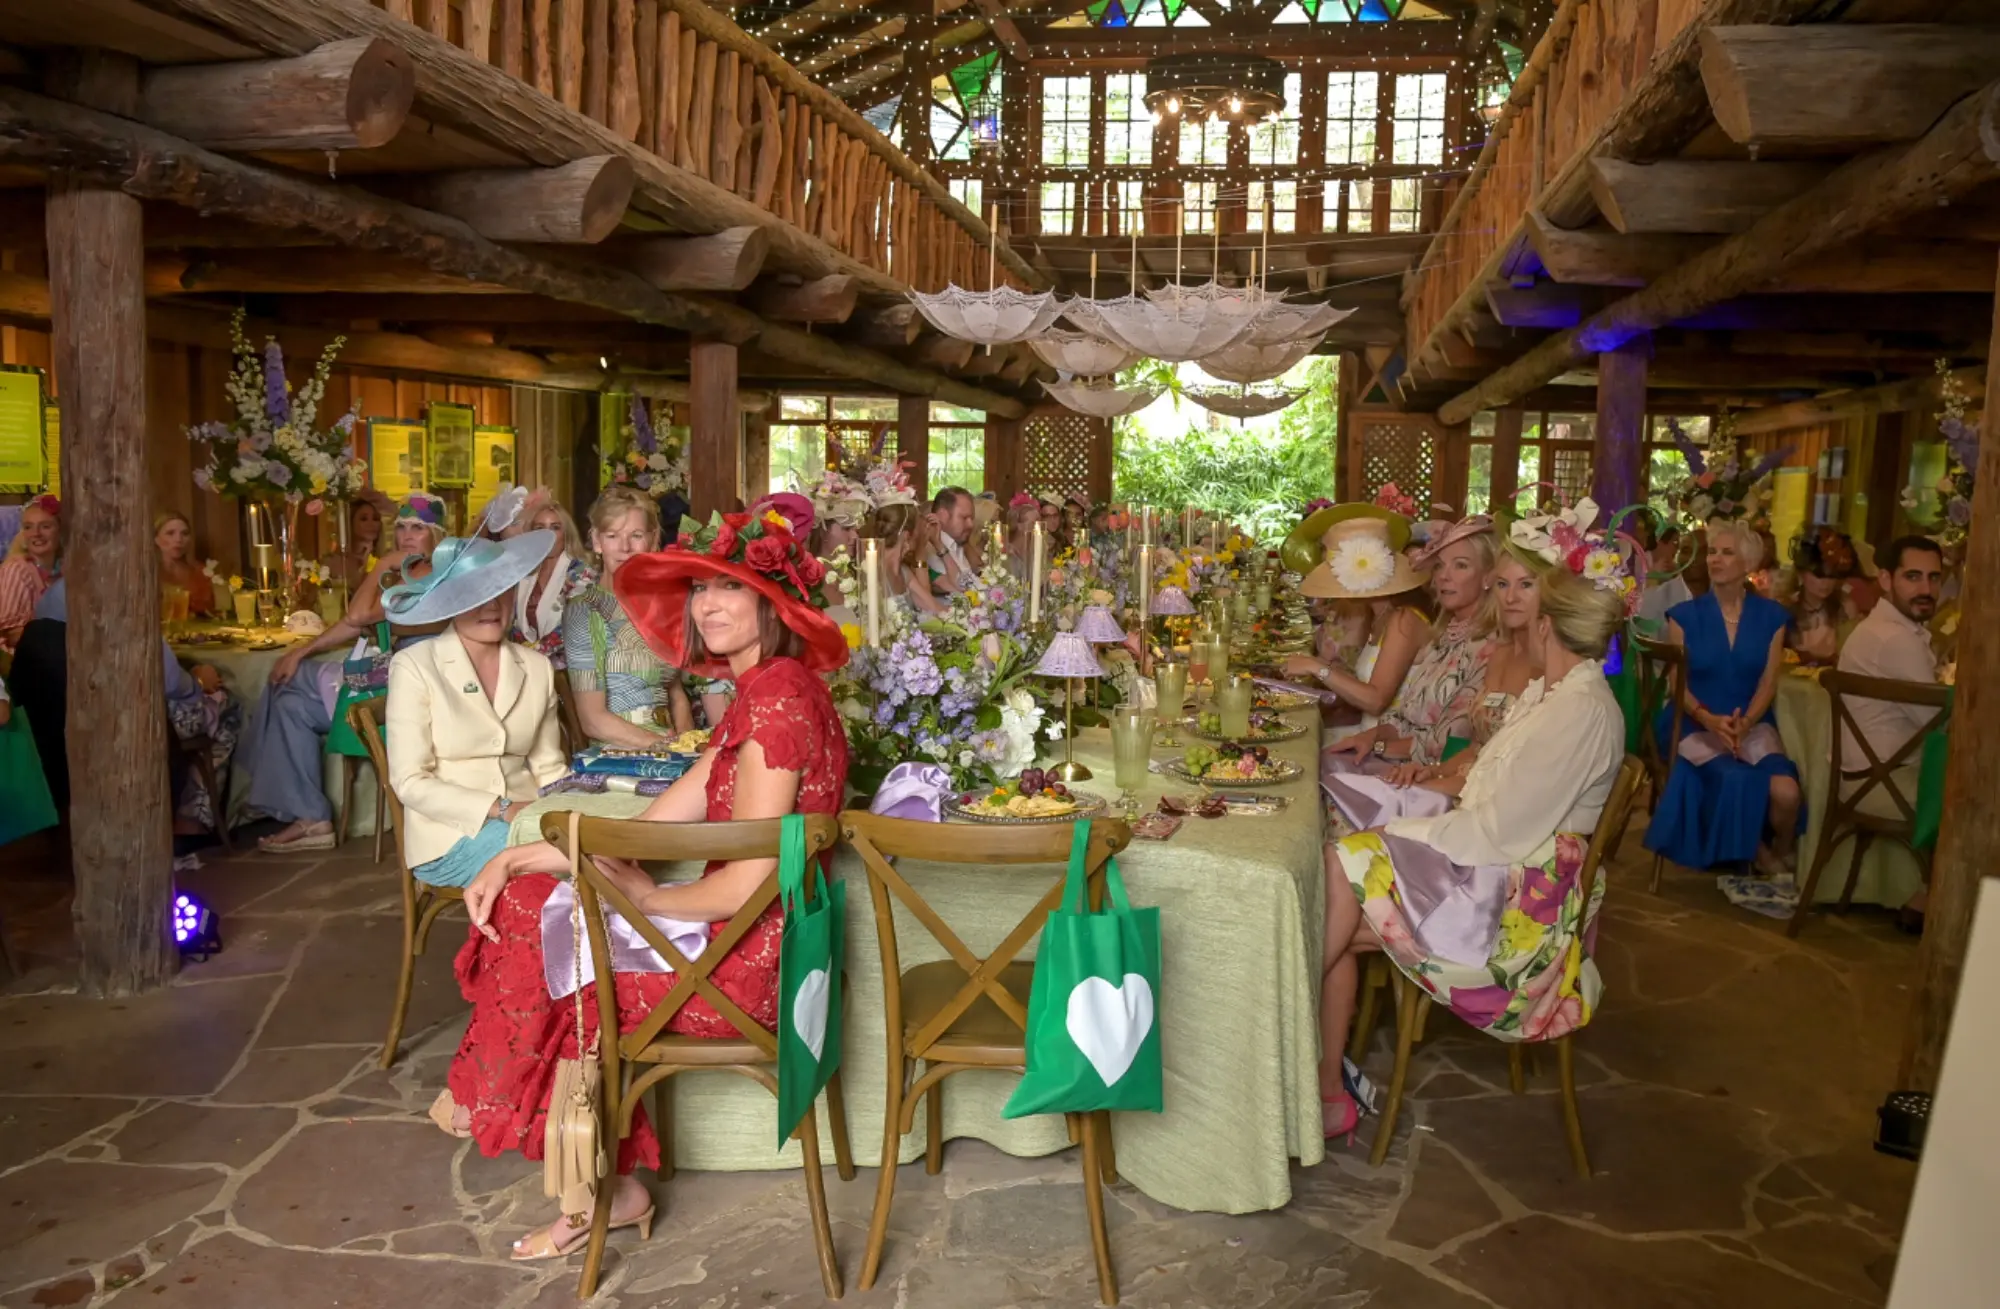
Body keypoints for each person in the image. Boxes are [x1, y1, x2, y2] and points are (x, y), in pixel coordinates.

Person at [435, 508, 849, 1259]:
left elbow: (746, 883)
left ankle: (586, 1185)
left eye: (731, 588)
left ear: (775, 603)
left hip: (754, 963)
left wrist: (648, 898)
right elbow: (653, 828)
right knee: (531, 904)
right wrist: (514, 860)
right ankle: (585, 1168)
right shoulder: (759, 693)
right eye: (700, 589)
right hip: (734, 938)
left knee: (560, 958)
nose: (707, 604)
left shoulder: (779, 700)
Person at [1317, 509, 1633, 1141]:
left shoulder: (1580, 710)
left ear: (1546, 623)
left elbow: (1497, 831)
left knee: (1342, 868)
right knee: (1340, 880)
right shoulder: (1553, 694)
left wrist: (1401, 834)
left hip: (1518, 907)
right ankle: (1323, 1087)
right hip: (1495, 863)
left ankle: (1290, 1049)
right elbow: (1484, 786)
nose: (1509, 607)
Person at [242, 494, 449, 852]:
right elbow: (354, 624)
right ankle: (313, 818)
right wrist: (302, 650)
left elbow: (357, 616)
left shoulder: (435, 574)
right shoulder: (407, 571)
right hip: (387, 680)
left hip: (414, 691)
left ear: (437, 535)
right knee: (290, 704)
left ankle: (249, 765)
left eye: (418, 528)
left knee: (290, 677)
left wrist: (383, 563)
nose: (406, 536)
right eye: (401, 528)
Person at [384, 531, 569, 889]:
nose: (491, 605)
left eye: (500, 590)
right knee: (565, 865)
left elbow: (549, 768)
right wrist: (502, 808)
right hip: (448, 836)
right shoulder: (415, 665)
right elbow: (409, 781)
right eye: (474, 594)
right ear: (450, 600)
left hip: (529, 819)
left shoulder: (537, 667)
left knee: (596, 847)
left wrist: (579, 810)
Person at [1642, 519, 1803, 878]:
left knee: (1787, 792)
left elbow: (1768, 683)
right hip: (1692, 722)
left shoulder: (1772, 617)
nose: (1714, 559)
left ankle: (1782, 848)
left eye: (1727, 553)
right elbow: (1677, 684)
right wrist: (1709, 719)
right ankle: (1762, 857)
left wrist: (1746, 723)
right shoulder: (1684, 616)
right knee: (1734, 778)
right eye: (1712, 552)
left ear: (1748, 563)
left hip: (1751, 723)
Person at [1320, 516, 1497, 772]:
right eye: (1439, 566)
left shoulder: (1491, 646)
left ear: (1488, 577)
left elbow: (1456, 744)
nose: (1444, 576)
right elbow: (1404, 718)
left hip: (1428, 776)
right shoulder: (1445, 634)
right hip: (1398, 762)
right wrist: (1369, 737)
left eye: (1460, 565)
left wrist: (1380, 747)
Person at [1836, 535, 1944, 930]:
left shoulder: (1882, 628)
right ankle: (1936, 901)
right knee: (1983, 797)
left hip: (1868, 778)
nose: (1925, 588)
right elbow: (1939, 726)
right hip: (1880, 787)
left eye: (1933, 578)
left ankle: (1929, 898)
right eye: (1912, 577)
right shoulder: (1895, 639)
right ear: (1885, 579)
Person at [1278, 503, 1431, 733]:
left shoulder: (1404, 619)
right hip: (1365, 734)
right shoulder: (1377, 615)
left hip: (1386, 745)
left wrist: (1316, 667)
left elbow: (1376, 701)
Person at [561, 486, 696, 746]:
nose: (624, 548)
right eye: (612, 536)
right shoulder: (585, 610)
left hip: (672, 749)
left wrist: (689, 748)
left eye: (636, 535)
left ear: (652, 540)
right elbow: (592, 720)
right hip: (617, 754)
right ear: (597, 541)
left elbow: (676, 693)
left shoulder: (661, 606)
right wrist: (666, 747)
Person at [507, 494, 593, 668]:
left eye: (555, 527)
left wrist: (531, 656)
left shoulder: (581, 572)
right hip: (526, 667)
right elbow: (514, 625)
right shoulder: (524, 571)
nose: (548, 535)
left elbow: (573, 627)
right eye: (540, 528)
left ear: (566, 533)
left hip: (569, 670)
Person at [1781, 528, 1862, 665]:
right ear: (1801, 574)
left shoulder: (1845, 607)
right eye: (1819, 575)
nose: (1826, 583)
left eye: (1831, 576)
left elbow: (1850, 657)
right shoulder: (1785, 608)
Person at [0, 494, 60, 649]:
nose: (36, 533)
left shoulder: (66, 571)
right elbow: (11, 634)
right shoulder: (16, 570)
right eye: (28, 527)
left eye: (45, 526)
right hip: (21, 658)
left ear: (61, 531)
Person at [153, 511, 217, 618]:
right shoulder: (147, 573)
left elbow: (210, 612)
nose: (178, 539)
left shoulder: (201, 572)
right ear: (156, 539)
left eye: (185, 534)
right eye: (170, 533)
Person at [324, 491, 390, 591]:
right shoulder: (333, 563)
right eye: (363, 519)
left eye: (375, 518)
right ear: (350, 523)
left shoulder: (385, 562)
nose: (371, 523)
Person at [923, 486, 976, 596]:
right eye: (964, 518)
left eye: (972, 518)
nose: (971, 524)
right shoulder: (928, 549)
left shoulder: (958, 543)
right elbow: (962, 587)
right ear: (942, 515)